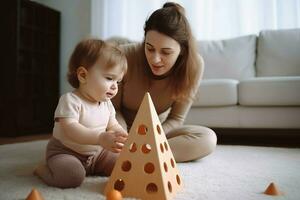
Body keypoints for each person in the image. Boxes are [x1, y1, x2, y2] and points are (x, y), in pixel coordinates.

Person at [111, 2, 217, 162]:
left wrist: (149, 138)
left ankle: (140, 157)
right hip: (119, 130)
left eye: (166, 52)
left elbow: (176, 119)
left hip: (156, 132)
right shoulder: (124, 56)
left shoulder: (194, 66)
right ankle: (141, 156)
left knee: (207, 139)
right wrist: (126, 136)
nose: (155, 59)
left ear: (182, 50)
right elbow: (113, 111)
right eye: (149, 48)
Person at [34, 38, 128, 188]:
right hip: (66, 152)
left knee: (123, 163)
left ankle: (93, 167)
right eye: (109, 78)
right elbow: (71, 129)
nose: (114, 87)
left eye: (118, 82)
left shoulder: (106, 104)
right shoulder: (70, 100)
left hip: (96, 154)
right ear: (83, 75)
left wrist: (123, 135)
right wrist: (100, 138)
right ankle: (43, 170)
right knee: (72, 176)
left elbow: (113, 125)